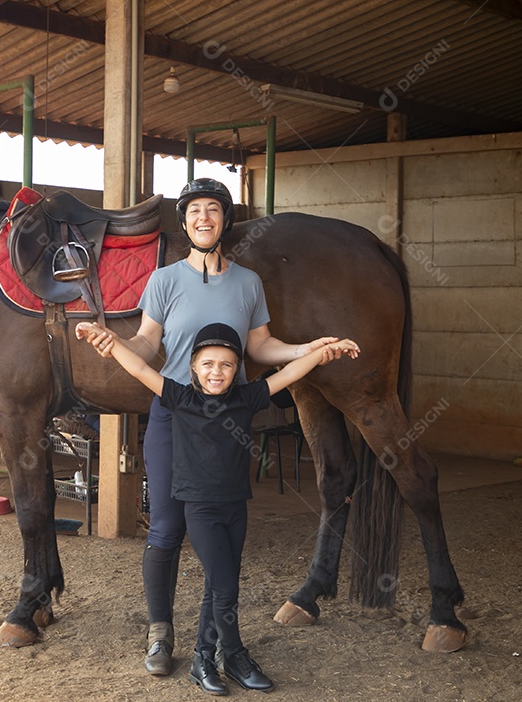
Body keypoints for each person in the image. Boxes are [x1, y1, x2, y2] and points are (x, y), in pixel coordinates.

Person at [77, 178, 346, 678]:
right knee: (166, 528)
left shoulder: (247, 283)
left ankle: (215, 644)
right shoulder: (164, 280)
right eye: (195, 210)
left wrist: (305, 349)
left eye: (214, 210)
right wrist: (113, 344)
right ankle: (160, 633)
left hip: (227, 421)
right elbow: (147, 344)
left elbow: (260, 348)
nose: (204, 217)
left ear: (225, 220)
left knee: (221, 530)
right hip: (174, 411)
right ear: (185, 222)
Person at [76, 320, 359, 694]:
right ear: (193, 366)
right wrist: (109, 342)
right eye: (208, 364)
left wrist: (323, 352)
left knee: (218, 585)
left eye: (226, 364)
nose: (216, 372)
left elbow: (290, 373)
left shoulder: (247, 398)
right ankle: (233, 654)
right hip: (201, 511)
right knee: (226, 588)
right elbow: (140, 368)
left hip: (236, 507)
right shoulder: (180, 397)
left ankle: (204, 660)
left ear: (237, 369)